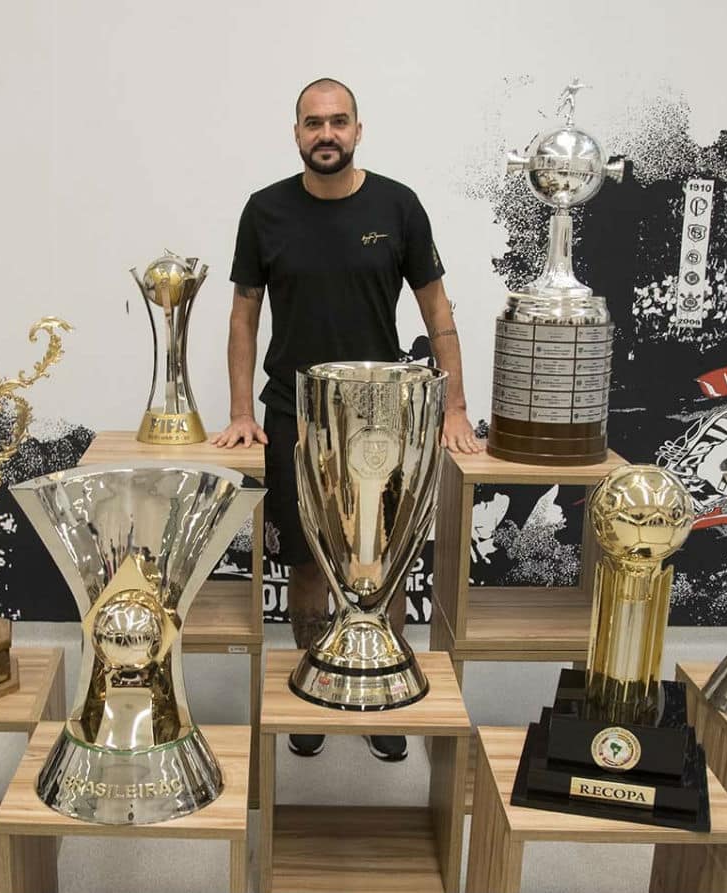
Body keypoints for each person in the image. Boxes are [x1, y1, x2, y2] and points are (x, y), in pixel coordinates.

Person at [213, 77, 482, 763]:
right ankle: (319, 677)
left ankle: (381, 682)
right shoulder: (264, 211)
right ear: (296, 133)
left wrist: (454, 407)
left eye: (338, 122)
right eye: (313, 123)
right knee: (307, 564)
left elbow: (437, 311)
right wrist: (241, 410)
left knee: (379, 567)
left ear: (358, 130)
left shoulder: (398, 206)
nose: (326, 134)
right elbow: (244, 316)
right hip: (294, 415)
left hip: (379, 419)